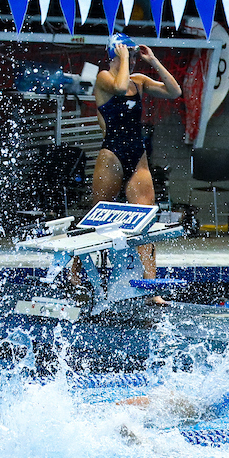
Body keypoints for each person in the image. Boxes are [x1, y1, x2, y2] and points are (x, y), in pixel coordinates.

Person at [88, 33, 182, 306]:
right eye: (126, 51)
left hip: (137, 156)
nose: (130, 55)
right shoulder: (104, 77)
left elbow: (174, 92)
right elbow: (118, 88)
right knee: (98, 217)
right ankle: (75, 272)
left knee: (145, 222)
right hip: (111, 156)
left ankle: (151, 288)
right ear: (115, 52)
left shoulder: (139, 82)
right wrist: (124, 58)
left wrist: (153, 61)